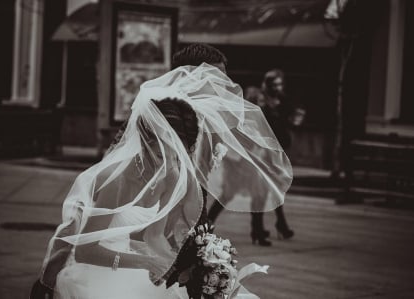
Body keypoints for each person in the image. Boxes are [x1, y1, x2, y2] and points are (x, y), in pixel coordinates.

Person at [31, 63, 292, 299]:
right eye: (165, 149)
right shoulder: (118, 180)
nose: (170, 159)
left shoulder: (171, 175)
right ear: (146, 140)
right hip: (102, 270)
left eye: (178, 152)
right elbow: (85, 251)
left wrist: (196, 263)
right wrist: (144, 262)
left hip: (140, 266)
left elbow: (154, 235)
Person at [208, 70, 304, 246]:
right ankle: (208, 223)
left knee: (261, 193)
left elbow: (280, 127)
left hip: (260, 158)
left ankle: (259, 230)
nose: (261, 103)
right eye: (257, 102)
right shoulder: (246, 116)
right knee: (231, 193)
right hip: (244, 160)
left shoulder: (275, 106)